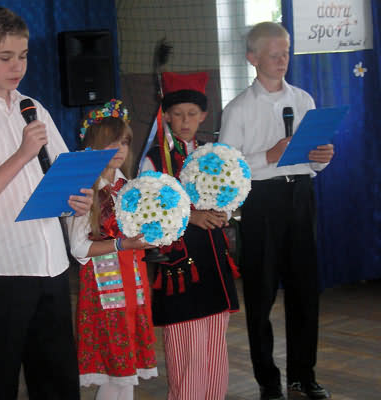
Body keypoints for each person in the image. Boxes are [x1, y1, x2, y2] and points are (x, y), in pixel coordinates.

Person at [0, 7, 93, 399]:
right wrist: (21, 155)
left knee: (58, 384)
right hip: (1, 271)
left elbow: (61, 178)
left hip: (51, 265)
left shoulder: (33, 108)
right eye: (5, 57)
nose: (17, 66)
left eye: (23, 56)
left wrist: (77, 199)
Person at [218, 22, 334, 400]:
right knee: (261, 293)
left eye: (286, 53)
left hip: (300, 196)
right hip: (262, 200)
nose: (282, 60)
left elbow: (313, 162)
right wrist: (267, 156)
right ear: (252, 58)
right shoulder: (238, 109)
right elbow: (226, 170)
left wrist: (322, 157)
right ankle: (268, 380)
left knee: (304, 292)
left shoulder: (303, 100)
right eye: (273, 54)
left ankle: (303, 375)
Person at [141, 71, 240, 400]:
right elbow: (146, 215)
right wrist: (190, 216)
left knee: (214, 349)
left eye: (192, 114)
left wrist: (224, 212)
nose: (185, 121)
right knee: (187, 353)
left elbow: (226, 194)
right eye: (178, 114)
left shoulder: (213, 156)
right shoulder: (154, 160)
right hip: (181, 269)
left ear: (203, 116)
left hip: (213, 263)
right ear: (166, 116)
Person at [67, 100, 158, 400]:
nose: (120, 149)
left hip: (133, 281)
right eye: (112, 141)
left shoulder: (127, 186)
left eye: (125, 142)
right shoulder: (84, 188)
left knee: (127, 373)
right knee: (115, 372)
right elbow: (78, 247)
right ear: (93, 144)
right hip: (104, 288)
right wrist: (122, 244)